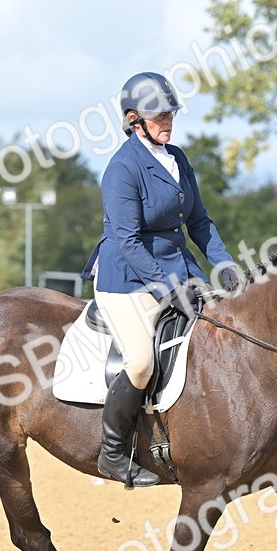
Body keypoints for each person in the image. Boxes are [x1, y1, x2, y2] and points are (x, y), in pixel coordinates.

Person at [80, 71, 242, 488]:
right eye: (158, 116)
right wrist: (169, 288)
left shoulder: (178, 158)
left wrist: (223, 264)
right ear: (134, 120)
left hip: (180, 268)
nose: (167, 121)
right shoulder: (122, 169)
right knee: (140, 361)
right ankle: (112, 453)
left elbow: (200, 222)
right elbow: (128, 240)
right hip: (126, 278)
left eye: (170, 113)